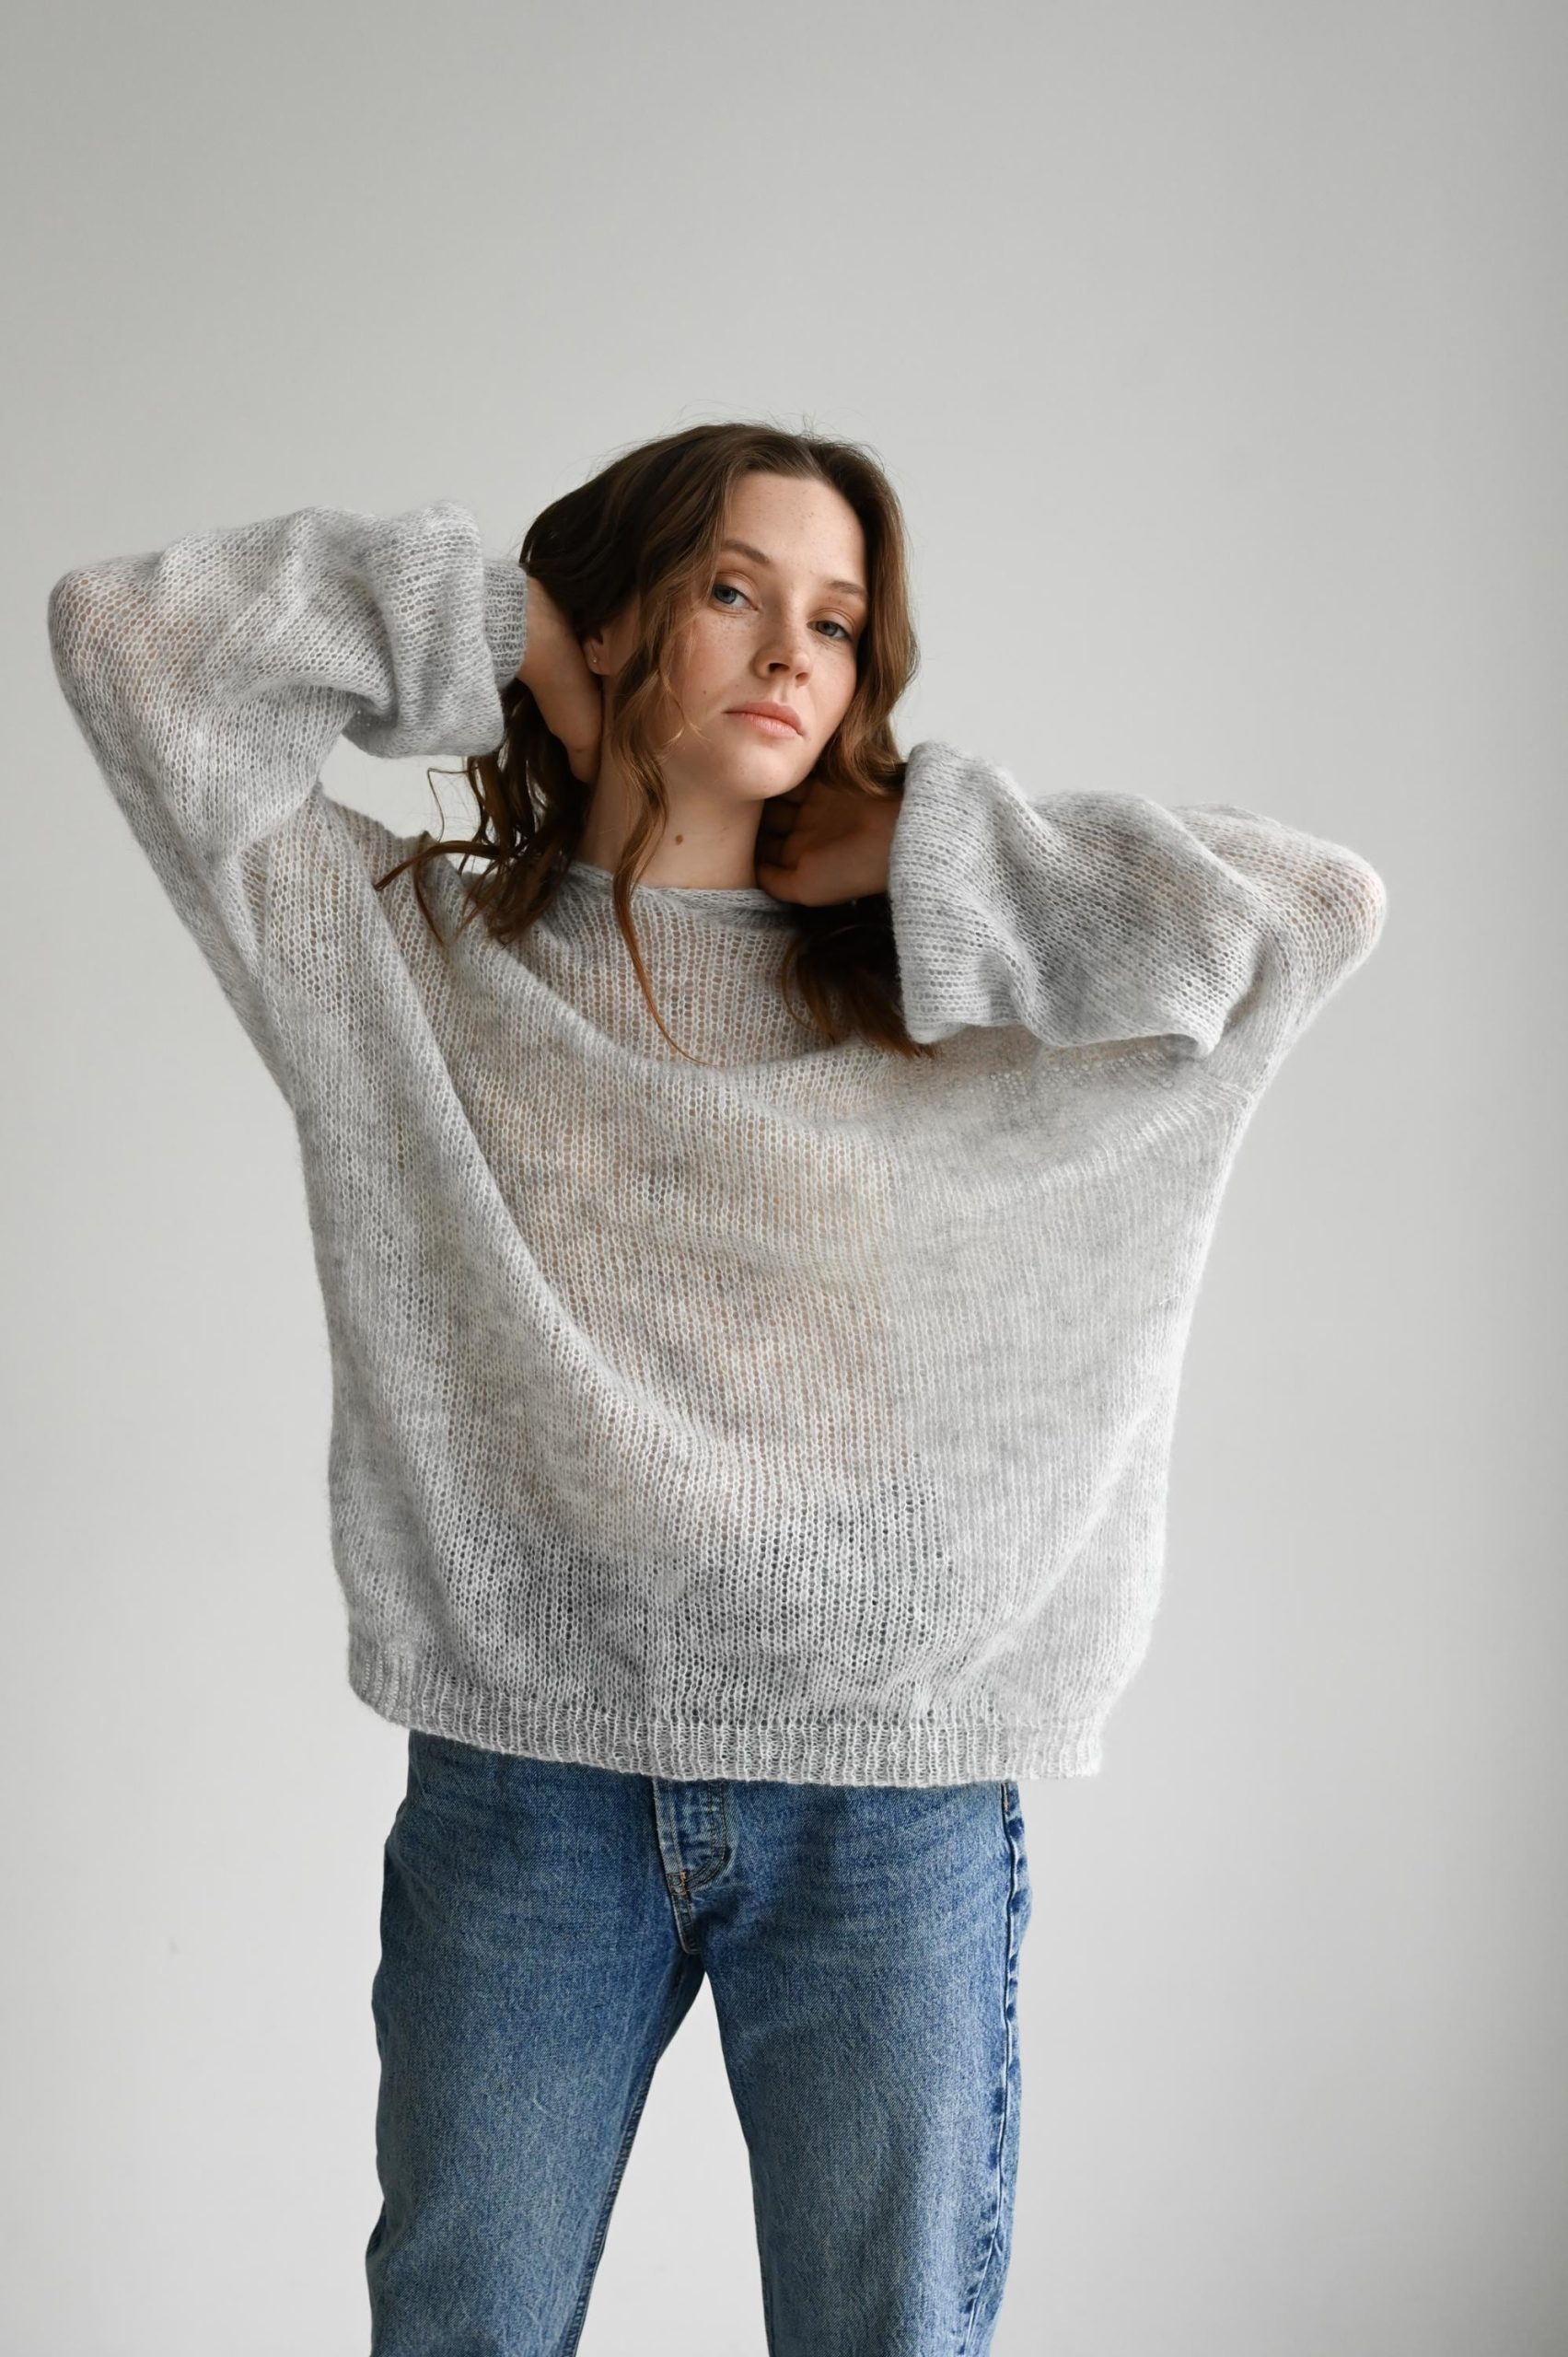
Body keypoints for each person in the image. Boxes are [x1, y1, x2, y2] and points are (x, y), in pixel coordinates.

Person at [46, 420, 1388, 2355]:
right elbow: (128, 642)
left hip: (892, 1798)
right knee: (463, 2326)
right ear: (616, 620)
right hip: (528, 1777)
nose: (789, 655)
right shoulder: (403, 954)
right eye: (733, 589)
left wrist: (937, 845)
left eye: (835, 622)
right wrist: (503, 628)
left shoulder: (937, 986)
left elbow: (1313, 913)